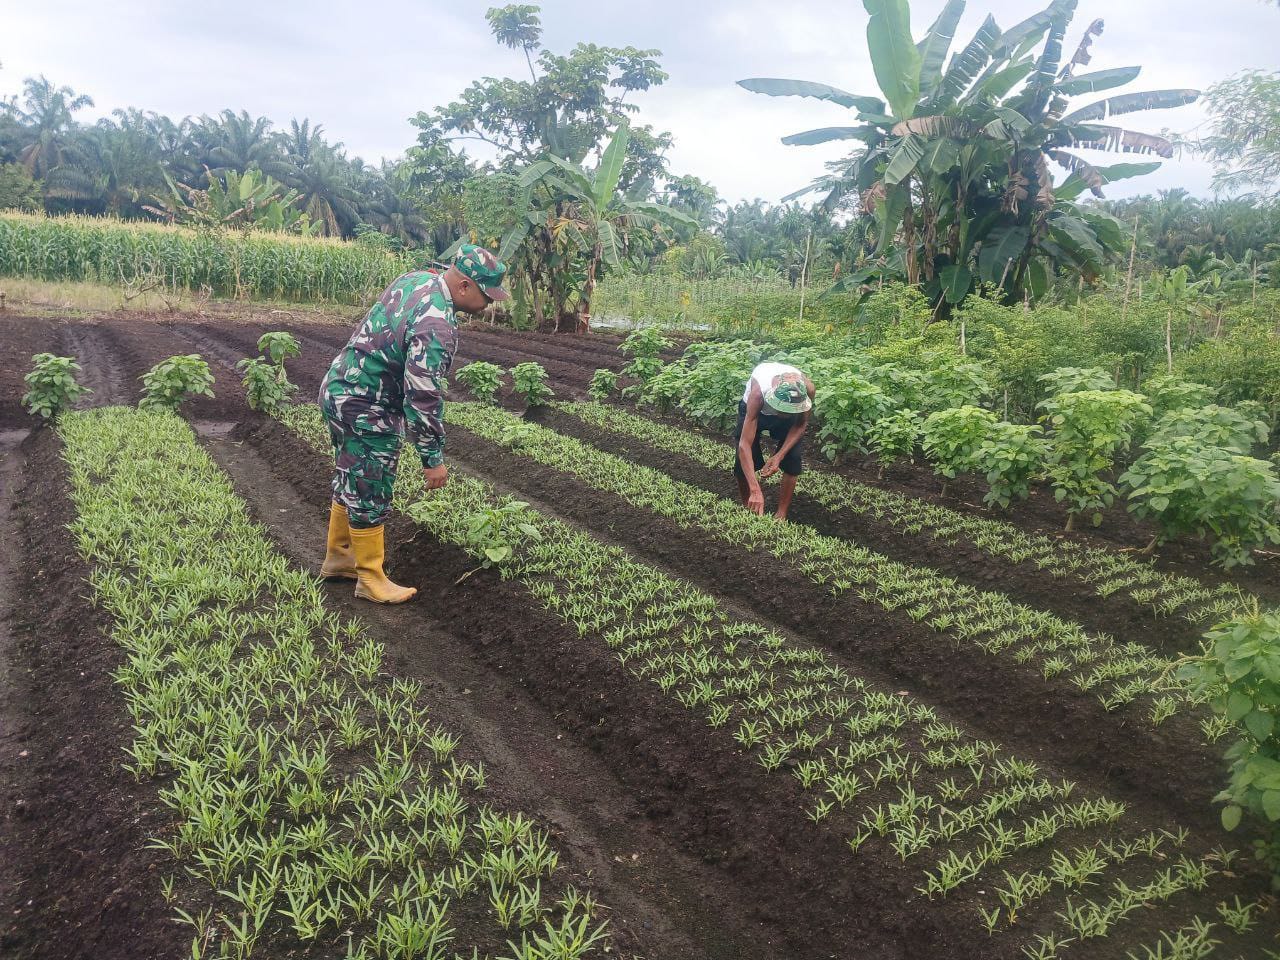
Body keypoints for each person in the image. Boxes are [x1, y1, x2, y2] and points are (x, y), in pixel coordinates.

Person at [318, 244, 509, 603]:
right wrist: (431, 458)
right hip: (366, 405)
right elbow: (422, 395)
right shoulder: (438, 323)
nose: (490, 304)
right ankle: (371, 578)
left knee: (351, 474)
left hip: (339, 388)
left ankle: (339, 559)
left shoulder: (415, 279)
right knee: (371, 486)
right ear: (465, 286)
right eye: (487, 295)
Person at [734, 361, 814, 521]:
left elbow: (800, 424)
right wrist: (755, 489)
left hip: (792, 409)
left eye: (788, 411)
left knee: (793, 458)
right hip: (755, 410)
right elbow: (744, 445)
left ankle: (781, 515)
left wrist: (779, 456)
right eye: (782, 410)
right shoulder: (758, 394)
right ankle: (749, 506)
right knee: (742, 460)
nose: (783, 415)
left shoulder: (808, 390)